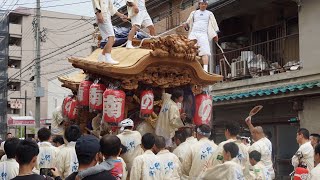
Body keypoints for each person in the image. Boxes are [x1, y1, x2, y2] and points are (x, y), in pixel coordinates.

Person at [182, 0, 219, 72]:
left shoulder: (209, 13)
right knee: (190, 50)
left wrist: (216, 34)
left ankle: (205, 70)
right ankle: (189, 68)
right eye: (202, 4)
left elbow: (214, 25)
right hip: (194, 33)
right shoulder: (194, 13)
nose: (203, 5)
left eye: (205, 4)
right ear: (199, 4)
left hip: (203, 34)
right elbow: (188, 23)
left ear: (206, 5)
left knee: (205, 52)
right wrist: (185, 25)